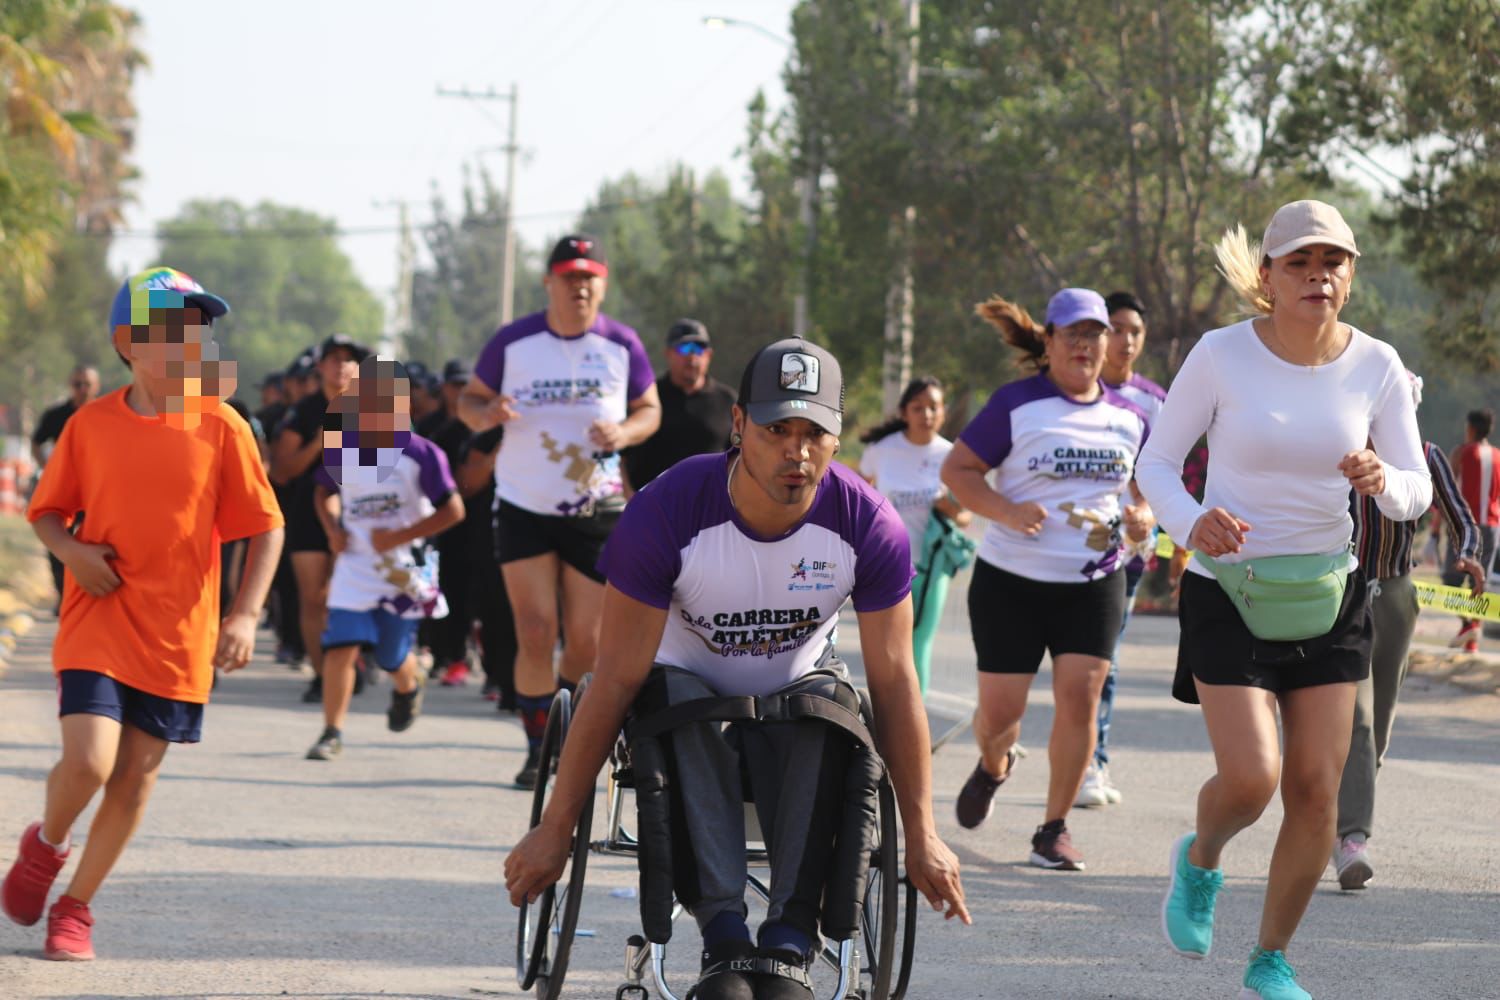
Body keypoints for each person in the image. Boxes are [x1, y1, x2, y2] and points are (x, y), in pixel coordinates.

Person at [504, 337, 969, 1000]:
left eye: (815, 432)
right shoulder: (665, 512)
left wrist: (922, 835)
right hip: (684, 687)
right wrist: (556, 827)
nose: (796, 451)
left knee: (831, 716)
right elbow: (612, 681)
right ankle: (724, 936)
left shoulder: (870, 525)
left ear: (838, 439)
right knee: (678, 701)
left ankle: (787, 943)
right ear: (740, 424)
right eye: (778, 429)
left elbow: (895, 684)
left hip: (797, 687)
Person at [1136, 200, 1430, 1000]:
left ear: (1350, 276)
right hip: (1227, 590)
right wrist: (1194, 522)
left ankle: (1270, 959)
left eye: (1332, 262)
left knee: (1315, 791)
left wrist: (1382, 480)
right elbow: (1156, 463)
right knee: (1253, 779)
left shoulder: (1376, 363)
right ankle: (1200, 860)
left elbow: (1415, 488)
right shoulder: (1221, 354)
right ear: (1267, 278)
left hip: (1330, 595)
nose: (1317, 276)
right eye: (1299, 263)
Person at [1, 266, 284, 960]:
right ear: (130, 341)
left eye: (200, 328)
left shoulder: (222, 424)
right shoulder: (89, 425)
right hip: (98, 619)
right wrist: (74, 553)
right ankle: (47, 844)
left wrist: (245, 615)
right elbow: (46, 513)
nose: (193, 341)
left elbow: (266, 525)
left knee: (134, 778)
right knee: (92, 762)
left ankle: (75, 908)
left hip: (178, 637)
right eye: (175, 328)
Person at [941, 287, 1154, 872]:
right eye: (1073, 335)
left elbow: (1147, 491)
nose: (1085, 345)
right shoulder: (1016, 405)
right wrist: (1006, 511)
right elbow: (957, 470)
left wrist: (1144, 515)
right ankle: (994, 765)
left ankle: (1052, 829)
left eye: (1095, 335)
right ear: (1051, 342)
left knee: (1080, 700)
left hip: (1094, 581)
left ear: (1108, 343)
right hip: (1013, 580)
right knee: (1000, 718)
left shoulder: (1129, 418)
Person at [458, 234, 660, 789]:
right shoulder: (514, 342)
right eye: (569, 276)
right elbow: (467, 402)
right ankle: (535, 745)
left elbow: (650, 410)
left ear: (603, 283)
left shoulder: (621, 344)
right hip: (524, 502)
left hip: (595, 506)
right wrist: (489, 412)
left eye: (589, 276)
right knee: (534, 628)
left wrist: (623, 431)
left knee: (586, 642)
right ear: (549, 282)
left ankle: (563, 724)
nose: (580, 286)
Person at [1334, 371, 1483, 890]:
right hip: (1340, 593)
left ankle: (1341, 814)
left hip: (1397, 595)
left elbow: (1462, 517)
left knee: (1380, 727)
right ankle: (1352, 838)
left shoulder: (1424, 455)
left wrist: (1467, 556)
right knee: (1356, 720)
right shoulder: (1337, 448)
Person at [305, 358, 463, 760]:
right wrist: (333, 530)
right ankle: (331, 732)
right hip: (356, 565)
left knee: (392, 656)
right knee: (341, 646)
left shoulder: (422, 454)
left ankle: (408, 686)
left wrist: (399, 535)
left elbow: (453, 511)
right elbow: (323, 493)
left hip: (404, 570)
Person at [1076, 291, 1169, 808]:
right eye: (1116, 329)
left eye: (1135, 330)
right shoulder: (1075, 395)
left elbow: (1165, 471)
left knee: (1105, 655)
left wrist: (1148, 514)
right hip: (1076, 543)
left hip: (1130, 546)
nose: (1126, 340)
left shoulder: (1155, 400)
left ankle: (1094, 763)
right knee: (1084, 656)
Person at [271, 334, 368, 704]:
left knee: (348, 598)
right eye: (333, 359)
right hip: (306, 514)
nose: (341, 366)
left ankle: (351, 662)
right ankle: (323, 673)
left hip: (362, 514)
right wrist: (319, 442)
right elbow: (281, 470)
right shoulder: (305, 410)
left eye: (349, 359)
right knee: (313, 599)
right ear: (320, 366)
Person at [859, 376, 971, 694]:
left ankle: (914, 727)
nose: (926, 415)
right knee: (889, 646)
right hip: (889, 563)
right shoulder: (881, 451)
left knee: (919, 640)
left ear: (943, 412)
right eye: (917, 408)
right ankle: (887, 722)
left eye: (933, 407)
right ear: (904, 412)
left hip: (933, 564)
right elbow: (860, 497)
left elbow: (965, 517)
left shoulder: (952, 455)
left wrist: (946, 506)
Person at [622, 318, 736, 491]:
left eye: (698, 348)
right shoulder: (647, 400)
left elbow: (740, 458)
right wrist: (629, 499)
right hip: (653, 508)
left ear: (709, 355)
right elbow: (621, 455)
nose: (692, 356)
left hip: (710, 509)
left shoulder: (727, 401)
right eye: (684, 348)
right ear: (668, 353)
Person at [31, 365, 101, 611]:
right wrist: (49, 469)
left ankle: (92, 596)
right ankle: (64, 595)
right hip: (64, 489)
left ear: (96, 387)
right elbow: (36, 442)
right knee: (57, 540)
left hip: (96, 490)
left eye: (87, 385)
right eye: (77, 384)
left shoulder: (108, 414)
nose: (82, 389)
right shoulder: (57, 415)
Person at [1441, 408, 1500, 652]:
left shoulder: (1461, 453)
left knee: (1451, 580)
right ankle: (1472, 642)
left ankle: (1467, 625)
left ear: (1471, 429)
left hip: (1465, 527)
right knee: (1479, 582)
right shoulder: (1498, 456)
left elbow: (1446, 491)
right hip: (1492, 528)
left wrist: (1435, 528)